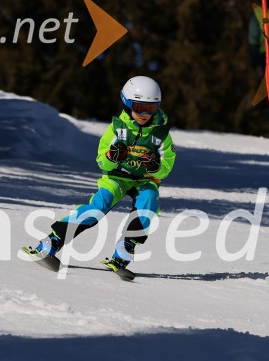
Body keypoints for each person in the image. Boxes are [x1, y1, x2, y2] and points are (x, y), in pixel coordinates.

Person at [26, 76, 176, 272]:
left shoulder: (161, 134)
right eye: (139, 107)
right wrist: (111, 155)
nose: (144, 114)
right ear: (127, 104)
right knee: (98, 206)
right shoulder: (117, 129)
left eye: (150, 108)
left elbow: (168, 163)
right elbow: (100, 160)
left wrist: (155, 166)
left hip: (144, 180)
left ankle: (126, 247)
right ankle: (52, 241)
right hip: (116, 177)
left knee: (148, 202)